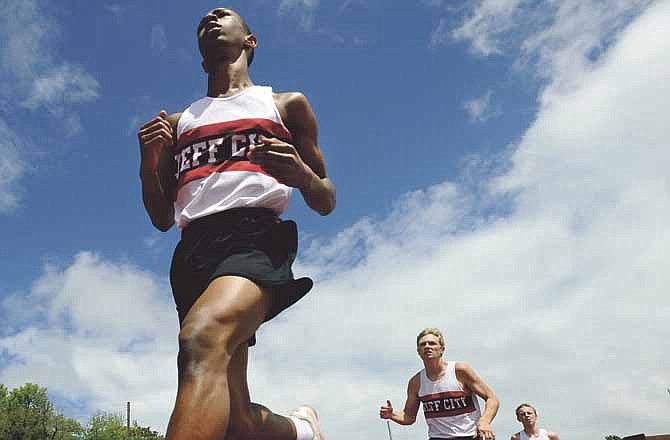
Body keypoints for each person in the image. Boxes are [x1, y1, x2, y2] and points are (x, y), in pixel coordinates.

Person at [138, 7, 335, 440]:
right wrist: (147, 163)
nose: (211, 15)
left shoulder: (285, 105)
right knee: (236, 421)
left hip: (254, 235)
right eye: (203, 20)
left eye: (225, 14)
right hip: (193, 253)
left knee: (201, 339)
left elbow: (326, 199)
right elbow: (160, 218)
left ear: (251, 40)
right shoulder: (178, 123)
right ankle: (302, 430)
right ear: (199, 53)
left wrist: (301, 174)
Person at [380, 328, 499, 440]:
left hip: (469, 435)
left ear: (442, 349)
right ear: (418, 352)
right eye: (423, 344)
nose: (427, 346)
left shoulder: (459, 371)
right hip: (438, 437)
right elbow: (409, 416)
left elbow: (492, 399)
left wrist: (484, 421)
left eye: (432, 343)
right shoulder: (416, 383)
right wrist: (392, 414)